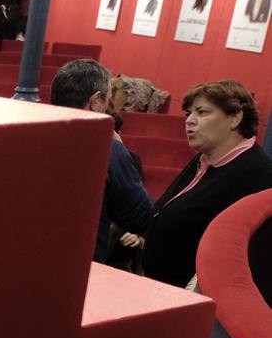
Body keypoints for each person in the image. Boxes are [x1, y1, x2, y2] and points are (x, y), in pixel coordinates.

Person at [143, 81, 272, 287]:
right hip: (158, 286)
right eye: (188, 114)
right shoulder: (205, 158)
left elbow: (237, 258)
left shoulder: (258, 175)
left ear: (235, 118)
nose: (190, 121)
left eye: (202, 113)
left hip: (190, 300)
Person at [47, 60, 154, 264]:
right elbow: (139, 216)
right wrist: (123, 153)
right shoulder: (108, 149)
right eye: (108, 100)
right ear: (96, 100)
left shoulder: (24, 133)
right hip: (79, 267)